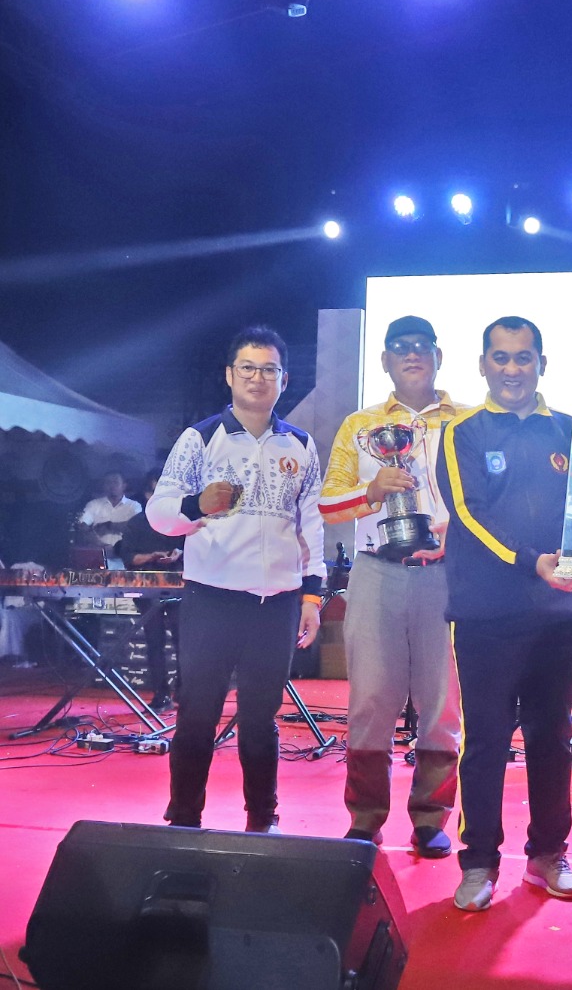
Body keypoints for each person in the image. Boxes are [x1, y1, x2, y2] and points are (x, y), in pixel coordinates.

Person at [436, 316, 572, 911]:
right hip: (486, 613)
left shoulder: (569, 430)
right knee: (485, 739)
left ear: (541, 364)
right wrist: (531, 561)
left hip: (558, 612)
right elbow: (469, 513)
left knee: (552, 737)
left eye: (524, 357)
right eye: (501, 358)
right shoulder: (463, 431)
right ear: (483, 364)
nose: (512, 369)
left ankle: (548, 854)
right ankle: (480, 861)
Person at [148, 325, 325, 833]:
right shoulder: (201, 438)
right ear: (229, 375)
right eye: (248, 367)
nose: (257, 377)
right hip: (212, 598)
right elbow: (158, 513)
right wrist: (195, 506)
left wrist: (311, 596)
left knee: (261, 719)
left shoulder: (301, 444)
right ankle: (184, 817)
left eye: (269, 369)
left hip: (278, 601)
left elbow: (311, 523)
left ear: (284, 380)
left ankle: (262, 819)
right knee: (197, 713)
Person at [319, 315, 461, 858]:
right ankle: (365, 817)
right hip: (376, 570)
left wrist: (458, 533)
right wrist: (372, 491)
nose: (412, 354)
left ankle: (430, 817)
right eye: (400, 347)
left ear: (438, 356)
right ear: (384, 361)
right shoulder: (361, 425)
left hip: (446, 575)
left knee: (442, 703)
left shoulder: (467, 420)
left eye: (422, 346)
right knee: (371, 699)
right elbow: (328, 503)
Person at [117, 470, 184, 710]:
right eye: (156, 492)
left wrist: (178, 553)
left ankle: (183, 691)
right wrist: (151, 556)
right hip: (148, 588)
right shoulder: (136, 523)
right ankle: (160, 693)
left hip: (178, 586)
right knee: (154, 641)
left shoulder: (179, 520)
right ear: (147, 494)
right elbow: (128, 557)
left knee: (182, 640)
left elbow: (191, 547)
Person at [79, 471, 141, 552]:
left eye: (115, 482)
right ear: (103, 486)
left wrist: (109, 525)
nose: (112, 486)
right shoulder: (93, 504)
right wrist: (97, 542)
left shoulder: (134, 506)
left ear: (124, 486)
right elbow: (82, 524)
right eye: (108, 482)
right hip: (99, 553)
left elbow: (137, 527)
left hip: (128, 554)